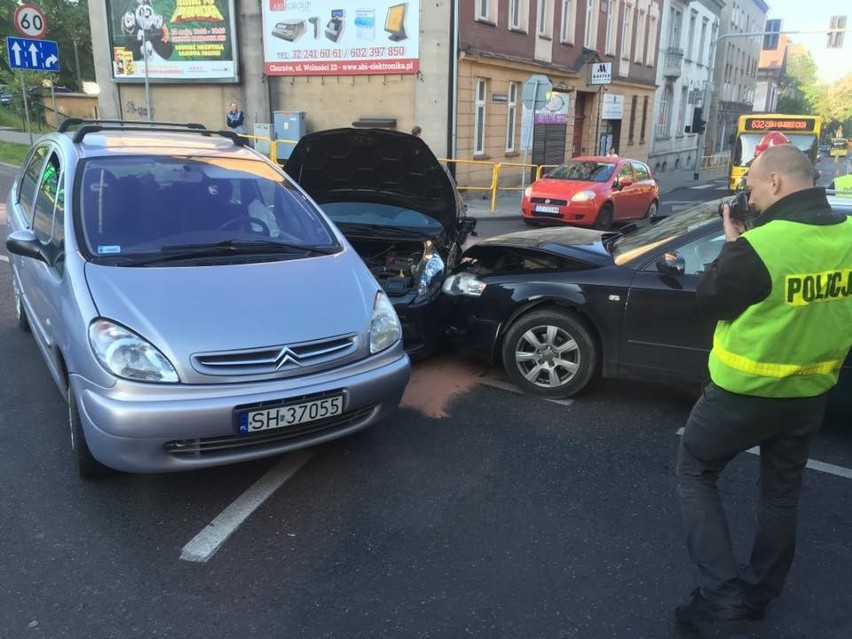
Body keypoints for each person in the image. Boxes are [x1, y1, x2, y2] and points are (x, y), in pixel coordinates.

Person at [674, 143, 852, 625]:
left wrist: (734, 242)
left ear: (775, 182)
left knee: (695, 472)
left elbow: (708, 302)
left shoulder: (760, 246)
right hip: (809, 395)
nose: (747, 192)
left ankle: (719, 595)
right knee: (781, 494)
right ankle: (758, 594)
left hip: (740, 395)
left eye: (751, 183)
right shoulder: (849, 234)